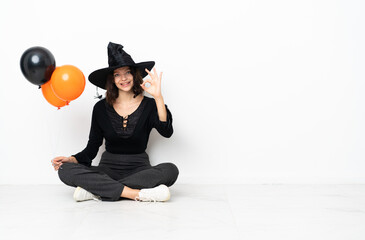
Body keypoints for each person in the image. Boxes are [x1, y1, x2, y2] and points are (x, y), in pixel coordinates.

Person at [51, 42, 179, 202]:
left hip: (140, 169)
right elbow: (92, 149)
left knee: (171, 170)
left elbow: (167, 132)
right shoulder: (100, 108)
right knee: (65, 170)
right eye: (117, 74)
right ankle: (135, 194)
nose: (123, 78)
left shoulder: (150, 105)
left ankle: (96, 190)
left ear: (135, 75)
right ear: (111, 79)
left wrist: (158, 98)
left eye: (127, 73)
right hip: (107, 169)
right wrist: (71, 159)